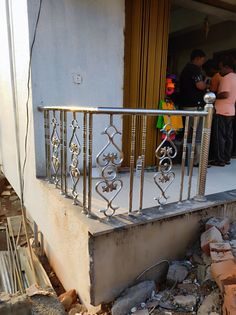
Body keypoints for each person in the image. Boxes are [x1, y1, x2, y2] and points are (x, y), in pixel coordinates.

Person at [179, 49, 207, 166]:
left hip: (187, 106)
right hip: (194, 107)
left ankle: (186, 160)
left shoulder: (185, 69)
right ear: (197, 58)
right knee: (197, 134)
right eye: (202, 60)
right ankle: (196, 161)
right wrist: (208, 85)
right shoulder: (194, 69)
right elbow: (200, 86)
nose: (202, 63)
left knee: (188, 133)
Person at [210, 56, 236, 166]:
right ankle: (226, 158)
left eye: (221, 68)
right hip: (231, 109)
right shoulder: (235, 77)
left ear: (226, 67)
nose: (220, 71)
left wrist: (214, 96)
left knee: (219, 136)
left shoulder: (226, 78)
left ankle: (219, 160)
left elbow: (225, 94)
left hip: (221, 110)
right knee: (229, 136)